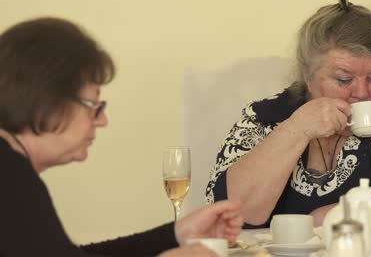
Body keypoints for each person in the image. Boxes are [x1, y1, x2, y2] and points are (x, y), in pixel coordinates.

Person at [0, 17, 243, 256]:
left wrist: (176, 235)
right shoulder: (11, 177)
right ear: (48, 100)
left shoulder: (13, 169)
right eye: (94, 105)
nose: (102, 121)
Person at [206, 0, 371, 228]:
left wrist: (333, 217)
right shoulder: (265, 118)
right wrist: (297, 129)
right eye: (344, 80)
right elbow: (229, 215)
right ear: (307, 76)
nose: (362, 92)